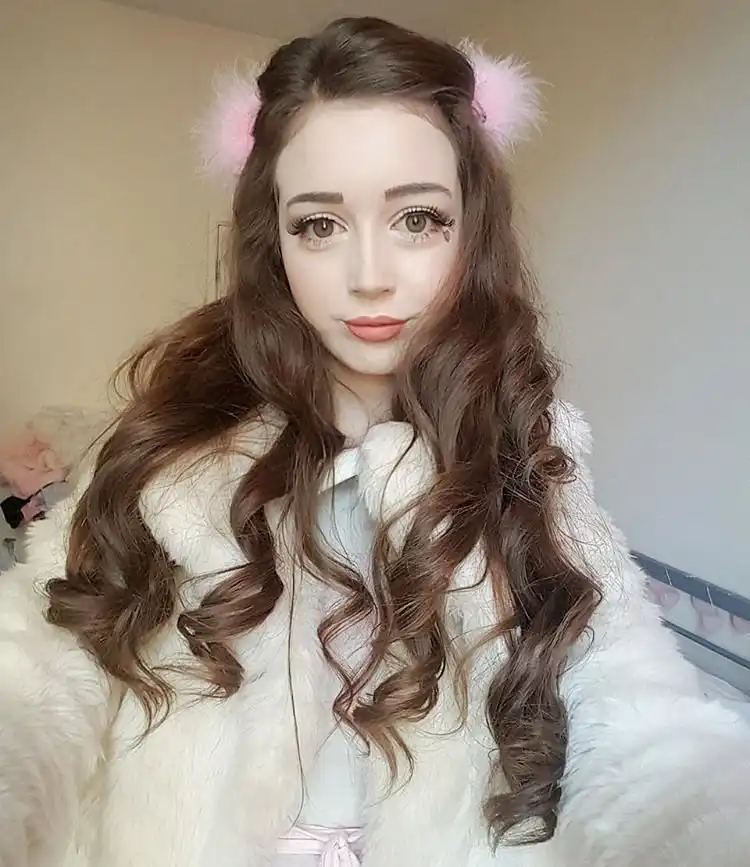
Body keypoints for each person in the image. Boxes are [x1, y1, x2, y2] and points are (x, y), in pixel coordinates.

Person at [1, 16, 748, 867]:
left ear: (470, 229)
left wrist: (710, 829)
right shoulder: (169, 452)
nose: (369, 276)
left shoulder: (529, 459)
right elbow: (36, 664)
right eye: (319, 225)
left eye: (417, 219)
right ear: (274, 242)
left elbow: (635, 708)